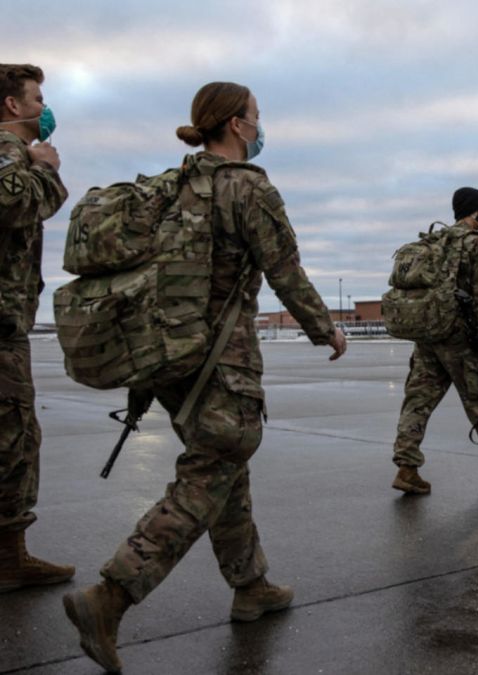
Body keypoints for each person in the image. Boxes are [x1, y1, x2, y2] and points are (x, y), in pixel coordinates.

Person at [62, 82, 347, 672]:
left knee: (224, 468)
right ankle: (110, 597)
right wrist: (326, 329)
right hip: (221, 357)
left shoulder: (174, 184)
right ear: (237, 125)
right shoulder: (247, 186)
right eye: (256, 117)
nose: (260, 127)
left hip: (169, 355)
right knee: (210, 472)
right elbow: (285, 269)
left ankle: (251, 585)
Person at [390, 187, 478, 495]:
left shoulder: (434, 241)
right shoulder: (477, 245)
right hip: (459, 336)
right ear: (475, 209)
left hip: (429, 333)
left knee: (418, 398)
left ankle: (406, 467)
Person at [0, 63, 74, 592]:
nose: (44, 108)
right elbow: (15, 202)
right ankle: (9, 558)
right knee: (13, 440)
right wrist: (45, 167)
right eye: (38, 98)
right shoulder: (7, 151)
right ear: (13, 105)